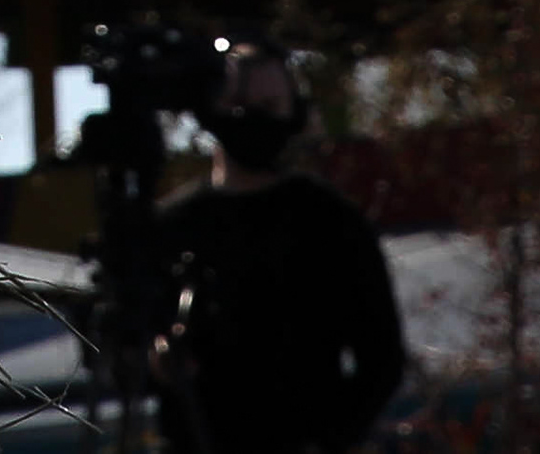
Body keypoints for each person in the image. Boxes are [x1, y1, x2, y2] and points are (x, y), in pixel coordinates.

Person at [154, 45, 407, 454]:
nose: (253, 118)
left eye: (269, 104)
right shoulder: (173, 227)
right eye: (239, 103)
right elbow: (126, 352)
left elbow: (382, 360)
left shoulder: (330, 221)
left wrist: (329, 439)